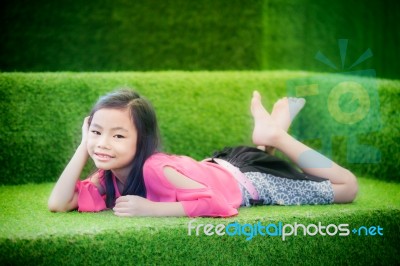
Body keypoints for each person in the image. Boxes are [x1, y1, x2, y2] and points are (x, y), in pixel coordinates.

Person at [48, 89, 358, 217]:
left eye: (117, 135)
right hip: (226, 163)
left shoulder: (153, 169)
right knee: (265, 157)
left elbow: (220, 205)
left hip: (249, 181)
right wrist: (83, 144)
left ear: (141, 142)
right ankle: (269, 137)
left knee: (347, 186)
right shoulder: (109, 175)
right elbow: (59, 203)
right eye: (97, 131)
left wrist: (152, 210)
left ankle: (276, 134)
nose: (103, 143)